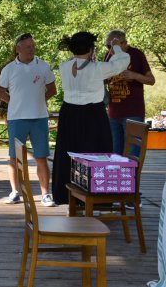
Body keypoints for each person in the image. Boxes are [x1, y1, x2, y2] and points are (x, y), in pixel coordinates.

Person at [51, 32, 130, 205]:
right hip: (93, 114)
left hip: (69, 114)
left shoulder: (64, 66)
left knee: (69, 152)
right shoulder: (97, 68)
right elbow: (124, 61)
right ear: (91, 49)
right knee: (96, 153)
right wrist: (115, 45)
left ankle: (67, 196)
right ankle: (98, 200)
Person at [0, 33, 57, 206]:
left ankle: (46, 194)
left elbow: (53, 89)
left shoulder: (43, 66)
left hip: (39, 117)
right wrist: (13, 101)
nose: (32, 49)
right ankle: (15, 192)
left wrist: (40, 100)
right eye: (28, 46)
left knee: (41, 157)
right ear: (18, 48)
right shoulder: (9, 69)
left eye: (33, 46)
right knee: (14, 158)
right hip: (16, 119)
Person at [104, 30, 155, 155]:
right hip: (113, 113)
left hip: (133, 113)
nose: (110, 49)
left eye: (112, 46)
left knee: (132, 153)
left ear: (124, 43)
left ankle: (133, 175)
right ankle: (117, 175)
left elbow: (151, 80)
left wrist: (134, 75)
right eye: (107, 46)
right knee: (115, 153)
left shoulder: (137, 54)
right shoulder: (108, 56)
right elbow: (104, 79)